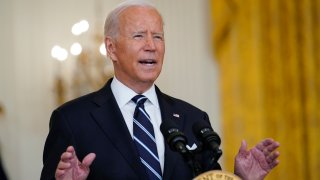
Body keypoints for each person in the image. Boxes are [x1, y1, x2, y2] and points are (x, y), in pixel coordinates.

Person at [41, 1, 280, 179]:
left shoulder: (193, 119)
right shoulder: (72, 120)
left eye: (158, 36)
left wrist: (241, 179)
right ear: (111, 48)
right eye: (138, 36)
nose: (151, 46)